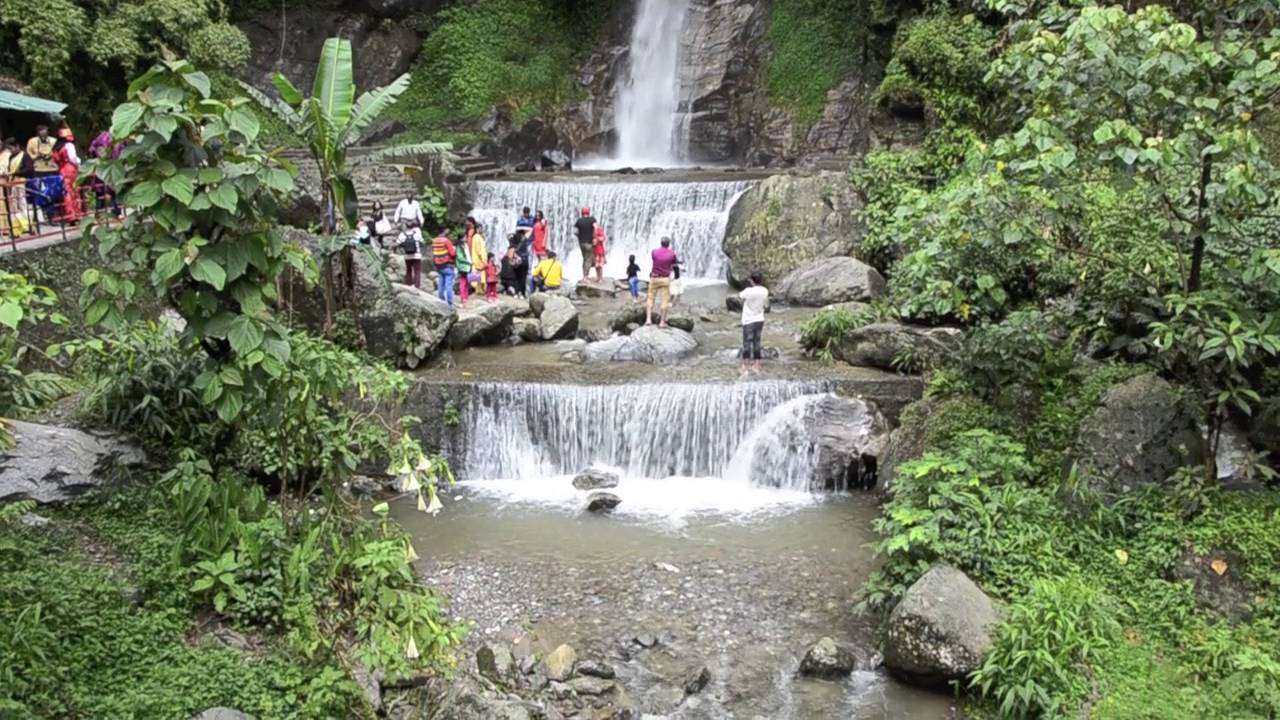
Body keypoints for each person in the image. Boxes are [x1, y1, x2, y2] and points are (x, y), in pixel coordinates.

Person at [738, 272, 769, 377]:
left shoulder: (748, 291)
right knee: (757, 342)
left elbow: (740, 296)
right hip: (760, 319)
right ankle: (757, 364)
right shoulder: (765, 290)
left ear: (752, 280)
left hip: (748, 320)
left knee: (746, 343)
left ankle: (745, 366)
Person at [646, 237, 678, 327]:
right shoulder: (672, 253)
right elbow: (674, 263)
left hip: (654, 277)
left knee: (650, 298)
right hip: (665, 279)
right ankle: (662, 322)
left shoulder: (654, 252)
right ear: (668, 244)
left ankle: (648, 319)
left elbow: (655, 260)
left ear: (661, 243)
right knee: (665, 301)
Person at [51, 128, 82, 223]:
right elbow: (73, 158)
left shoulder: (56, 147)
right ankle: (77, 214)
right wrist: (79, 163)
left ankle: (70, 215)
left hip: (62, 169)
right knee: (75, 191)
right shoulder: (69, 145)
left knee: (66, 192)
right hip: (71, 168)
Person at [430, 231, 457, 306]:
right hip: (447, 265)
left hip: (438, 265)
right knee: (449, 284)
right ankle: (450, 303)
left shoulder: (434, 241)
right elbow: (452, 253)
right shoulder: (446, 241)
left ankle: (441, 300)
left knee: (441, 283)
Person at [463, 216, 488, 294]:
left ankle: (476, 290)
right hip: (478, 259)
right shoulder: (477, 237)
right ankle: (480, 291)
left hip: (473, 258)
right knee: (480, 277)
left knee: (475, 276)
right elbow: (481, 250)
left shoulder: (474, 236)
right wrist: (484, 259)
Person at [398, 221, 424, 289]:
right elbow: (422, 242)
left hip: (407, 256)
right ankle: (417, 285)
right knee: (417, 271)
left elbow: (398, 243)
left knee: (408, 270)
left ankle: (408, 284)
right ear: (413, 227)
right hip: (417, 255)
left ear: (406, 226)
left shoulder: (402, 234)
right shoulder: (417, 234)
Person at [574, 207, 596, 278]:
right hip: (589, 243)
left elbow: (575, 232)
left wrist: (580, 236)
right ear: (588, 212)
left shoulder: (579, 221)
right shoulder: (592, 219)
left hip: (582, 243)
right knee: (588, 259)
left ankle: (584, 275)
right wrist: (595, 237)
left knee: (585, 258)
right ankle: (586, 276)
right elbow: (596, 228)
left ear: (582, 213)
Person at [454, 230, 473, 304]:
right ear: (461, 238)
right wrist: (469, 262)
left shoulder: (465, 245)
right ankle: (463, 297)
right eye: (465, 237)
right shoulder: (459, 246)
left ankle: (466, 296)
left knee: (467, 282)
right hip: (463, 267)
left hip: (468, 266)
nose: (466, 238)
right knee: (463, 282)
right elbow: (460, 258)